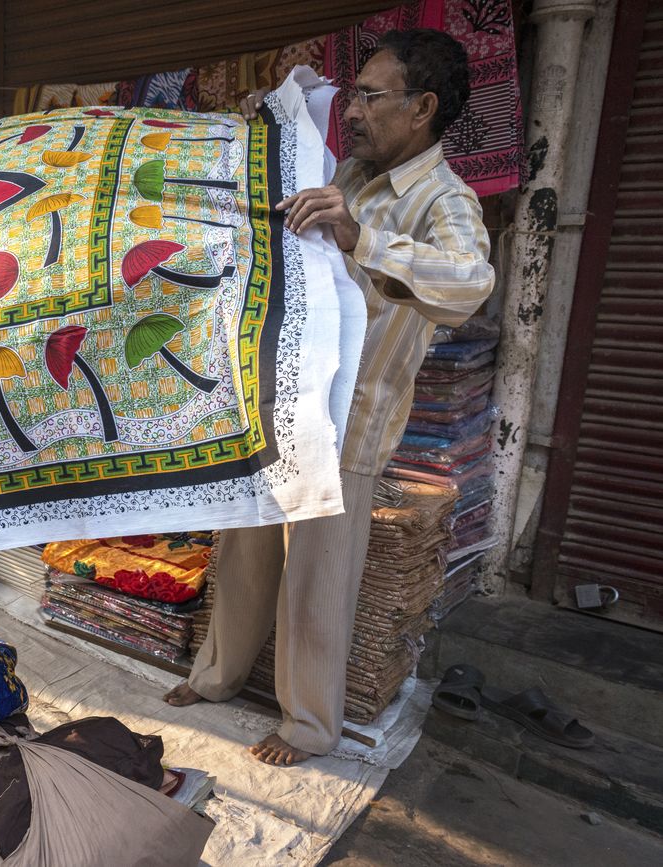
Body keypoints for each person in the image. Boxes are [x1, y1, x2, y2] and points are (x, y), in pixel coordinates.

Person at [164, 29, 495, 766]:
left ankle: (310, 724)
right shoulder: (348, 170)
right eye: (356, 96)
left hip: (349, 423)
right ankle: (217, 676)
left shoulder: (444, 200)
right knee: (243, 543)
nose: (355, 112)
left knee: (318, 575)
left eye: (372, 97)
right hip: (282, 399)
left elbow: (471, 282)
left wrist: (361, 237)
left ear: (423, 108)